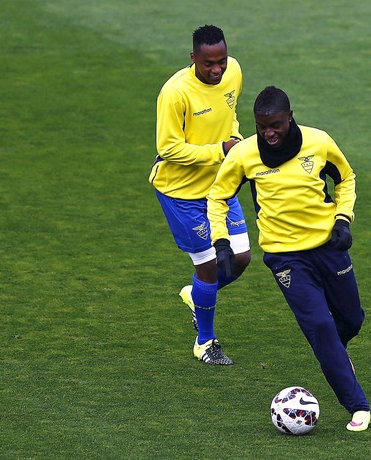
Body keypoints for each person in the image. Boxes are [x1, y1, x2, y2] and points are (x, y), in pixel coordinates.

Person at [207, 86, 371, 431]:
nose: (269, 134)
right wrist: (221, 242)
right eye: (262, 127)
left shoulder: (319, 142)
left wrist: (344, 218)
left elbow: (347, 178)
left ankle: (335, 354)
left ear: (290, 117)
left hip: (328, 247)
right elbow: (218, 197)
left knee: (352, 320)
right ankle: (356, 404)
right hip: (284, 257)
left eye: (276, 125)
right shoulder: (244, 154)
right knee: (320, 325)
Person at [149, 24, 251, 365]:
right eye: (209, 63)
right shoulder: (175, 93)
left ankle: (197, 296)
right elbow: (168, 148)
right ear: (193, 58)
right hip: (181, 193)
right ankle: (205, 342)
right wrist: (220, 151)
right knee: (209, 264)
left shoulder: (234, 71)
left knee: (240, 259)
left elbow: (230, 114)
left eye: (221, 60)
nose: (217, 69)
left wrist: (234, 143)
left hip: (219, 187)